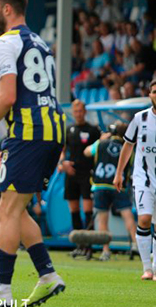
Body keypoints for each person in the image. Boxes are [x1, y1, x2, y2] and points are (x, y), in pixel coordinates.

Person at [0, 0, 66, 306]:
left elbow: (7, 96)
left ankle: (2, 292)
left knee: (7, 209)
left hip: (30, 131)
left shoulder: (4, 42)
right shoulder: (40, 42)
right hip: (51, 129)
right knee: (15, 207)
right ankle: (47, 276)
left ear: (7, 9)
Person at [113, 80, 156, 280]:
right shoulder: (140, 118)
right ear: (150, 95)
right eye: (154, 92)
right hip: (143, 178)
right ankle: (147, 268)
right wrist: (119, 173)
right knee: (144, 219)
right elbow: (128, 145)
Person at [83, 122, 136, 262]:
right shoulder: (128, 147)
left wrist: (100, 140)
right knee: (127, 215)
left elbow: (86, 152)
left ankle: (106, 251)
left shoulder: (101, 143)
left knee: (102, 219)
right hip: (119, 185)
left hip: (100, 185)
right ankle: (137, 245)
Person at [61, 99, 100, 256]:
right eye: (75, 111)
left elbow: (98, 151)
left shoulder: (93, 130)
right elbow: (62, 150)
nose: (78, 114)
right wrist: (63, 163)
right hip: (72, 174)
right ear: (73, 112)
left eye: (80, 111)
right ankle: (79, 245)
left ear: (85, 112)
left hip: (87, 174)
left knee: (88, 209)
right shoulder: (69, 130)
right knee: (74, 209)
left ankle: (89, 246)